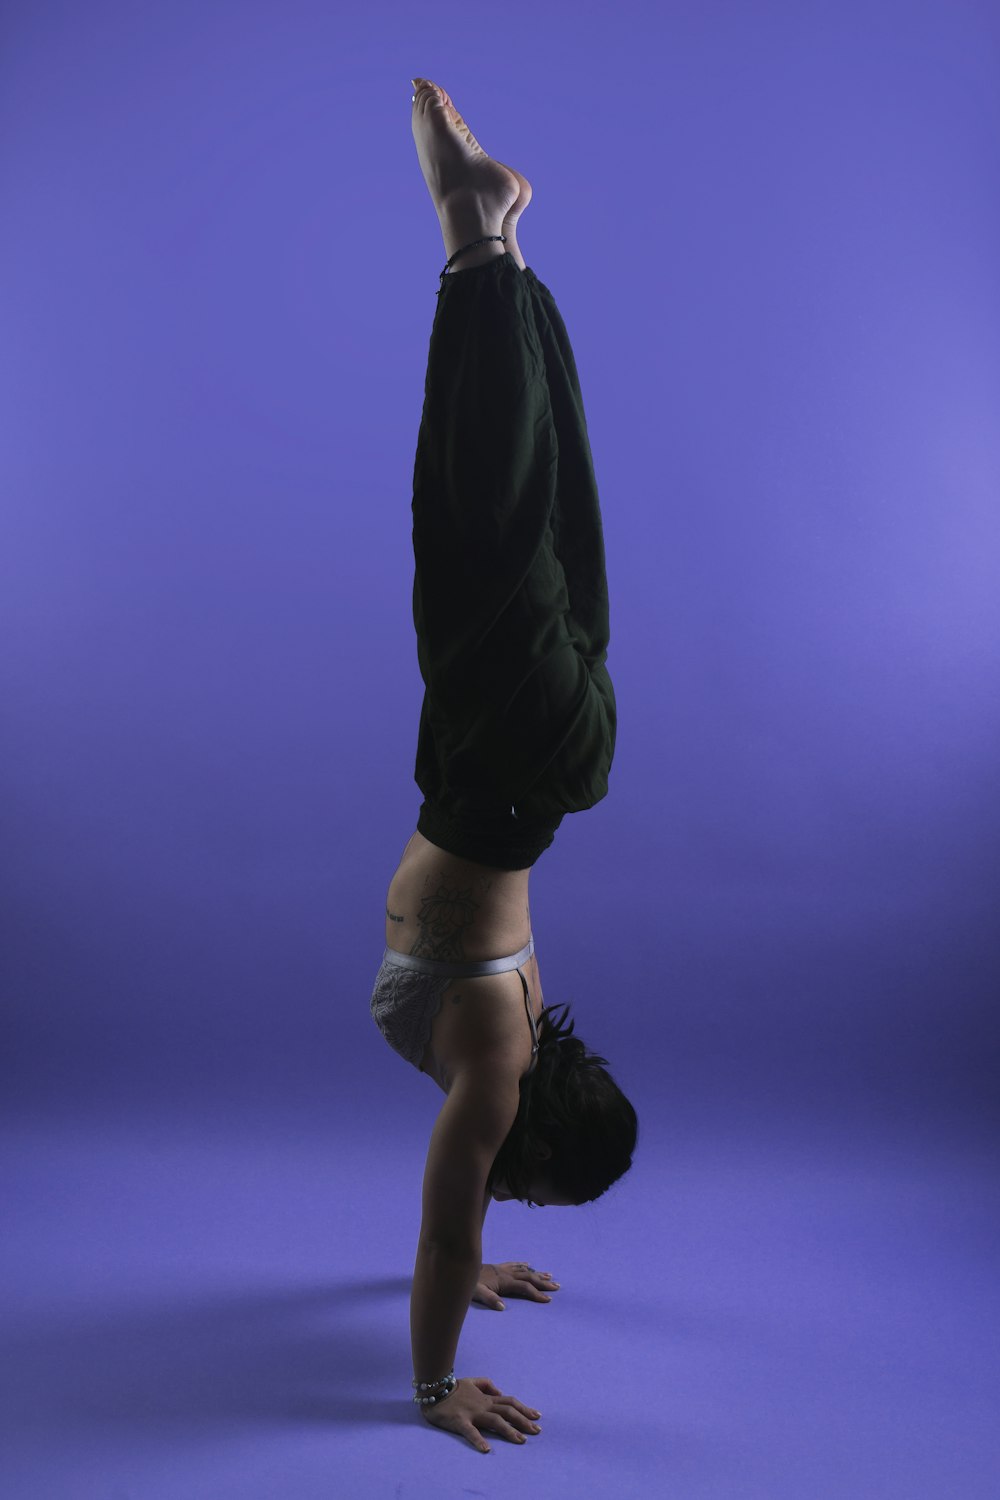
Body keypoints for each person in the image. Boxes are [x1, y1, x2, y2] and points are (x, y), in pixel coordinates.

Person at [369, 78, 639, 1454]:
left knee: (552, 512)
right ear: (525, 1137)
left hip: (559, 770)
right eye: (517, 1194)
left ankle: (511, 257)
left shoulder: (524, 1032)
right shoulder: (486, 1067)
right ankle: (477, 242)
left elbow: (455, 1229)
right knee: (480, 519)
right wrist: (435, 1384)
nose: (495, 1197)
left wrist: (476, 1267)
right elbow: (434, 1228)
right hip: (501, 759)